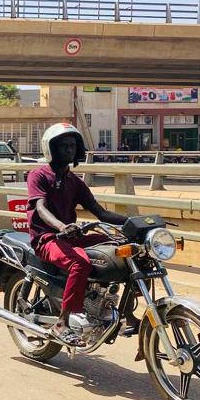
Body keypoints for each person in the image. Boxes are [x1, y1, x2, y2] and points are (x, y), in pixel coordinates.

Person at [27, 123, 129, 346]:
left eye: (72, 145)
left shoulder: (75, 182)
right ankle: (62, 323)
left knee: (121, 248)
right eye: (63, 146)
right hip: (47, 238)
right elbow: (40, 208)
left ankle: (123, 311)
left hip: (72, 236)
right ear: (51, 149)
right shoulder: (39, 175)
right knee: (79, 263)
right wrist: (61, 227)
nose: (68, 150)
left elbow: (101, 212)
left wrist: (135, 222)